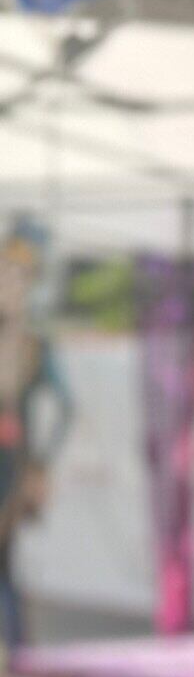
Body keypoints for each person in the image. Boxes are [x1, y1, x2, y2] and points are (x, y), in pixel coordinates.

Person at [0, 225, 72, 652]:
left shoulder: (31, 346)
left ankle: (19, 652)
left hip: (11, 467)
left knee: (5, 565)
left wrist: (40, 463)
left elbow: (65, 406)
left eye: (20, 275)